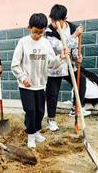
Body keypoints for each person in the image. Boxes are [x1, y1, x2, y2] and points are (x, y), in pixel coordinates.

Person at [11, 13, 64, 148]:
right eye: (35, 32)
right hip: (26, 86)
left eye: (41, 32)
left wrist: (61, 57)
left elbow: (52, 64)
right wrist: (23, 77)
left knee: (40, 111)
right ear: (29, 28)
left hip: (41, 84)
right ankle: (30, 136)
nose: (38, 35)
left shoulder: (45, 43)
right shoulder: (23, 42)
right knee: (30, 110)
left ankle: (37, 132)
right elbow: (15, 64)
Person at [45, 4, 88, 132]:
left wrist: (77, 56)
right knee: (52, 94)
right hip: (55, 65)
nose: (53, 23)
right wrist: (74, 36)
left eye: (56, 21)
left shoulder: (72, 28)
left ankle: (76, 108)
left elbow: (74, 49)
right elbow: (60, 47)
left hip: (69, 65)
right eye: (52, 20)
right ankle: (51, 120)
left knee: (81, 80)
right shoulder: (48, 32)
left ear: (65, 19)